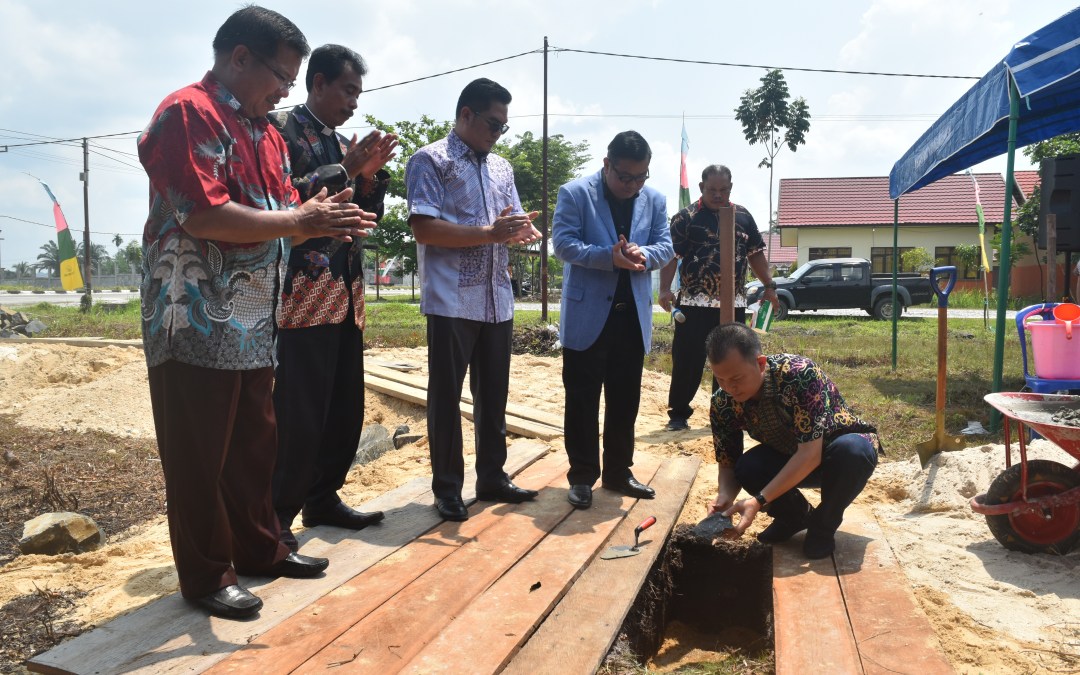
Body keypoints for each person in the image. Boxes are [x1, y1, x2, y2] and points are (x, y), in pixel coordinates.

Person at [138, 6, 373, 619]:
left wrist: (324, 214)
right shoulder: (187, 112)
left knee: (252, 446)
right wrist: (302, 220)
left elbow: (284, 211)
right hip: (191, 316)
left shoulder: (266, 132)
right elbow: (204, 214)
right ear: (239, 56)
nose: (286, 90)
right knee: (199, 454)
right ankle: (208, 575)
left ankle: (261, 549)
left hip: (250, 314)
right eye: (282, 76)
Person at [268, 44, 398, 551]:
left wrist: (366, 179)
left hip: (347, 293)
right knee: (299, 409)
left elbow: (366, 217)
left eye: (358, 94)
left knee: (344, 407)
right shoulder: (279, 132)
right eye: (347, 91)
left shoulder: (342, 141)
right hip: (302, 294)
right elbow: (282, 202)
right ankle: (277, 515)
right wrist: (346, 167)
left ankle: (323, 498)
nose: (353, 103)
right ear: (317, 83)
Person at [405, 78, 542, 522]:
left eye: (504, 126)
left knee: (494, 395)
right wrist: (488, 233)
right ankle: (447, 489)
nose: (498, 134)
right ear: (466, 114)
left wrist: (524, 230)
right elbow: (423, 229)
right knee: (446, 396)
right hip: (451, 301)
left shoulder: (502, 167)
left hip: (497, 298)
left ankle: (492, 478)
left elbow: (511, 221)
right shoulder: (430, 160)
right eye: (492, 124)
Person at [552, 130, 674, 510]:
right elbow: (563, 243)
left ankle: (619, 472)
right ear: (607, 165)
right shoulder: (575, 193)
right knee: (582, 400)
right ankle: (583, 475)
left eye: (641, 178)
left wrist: (644, 253)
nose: (633, 186)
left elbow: (666, 246)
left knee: (625, 400)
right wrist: (609, 256)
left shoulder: (654, 199)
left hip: (632, 318)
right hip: (587, 315)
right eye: (625, 177)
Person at [705, 323, 882, 559]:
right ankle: (794, 516)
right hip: (791, 457)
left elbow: (810, 453)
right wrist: (724, 497)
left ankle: (823, 525)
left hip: (835, 455)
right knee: (747, 467)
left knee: (853, 451)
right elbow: (728, 461)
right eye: (721, 380)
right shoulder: (722, 402)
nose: (729, 388)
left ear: (760, 364)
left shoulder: (799, 374)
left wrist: (758, 500)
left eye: (736, 378)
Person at [658, 165, 779, 431]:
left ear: (731, 188)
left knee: (730, 358)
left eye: (723, 190)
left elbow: (756, 254)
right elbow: (670, 256)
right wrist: (665, 289)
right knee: (687, 359)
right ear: (702, 188)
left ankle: (724, 413)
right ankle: (678, 415)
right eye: (712, 190)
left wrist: (769, 285)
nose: (718, 195)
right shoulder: (685, 218)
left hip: (733, 304)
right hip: (693, 304)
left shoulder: (743, 217)